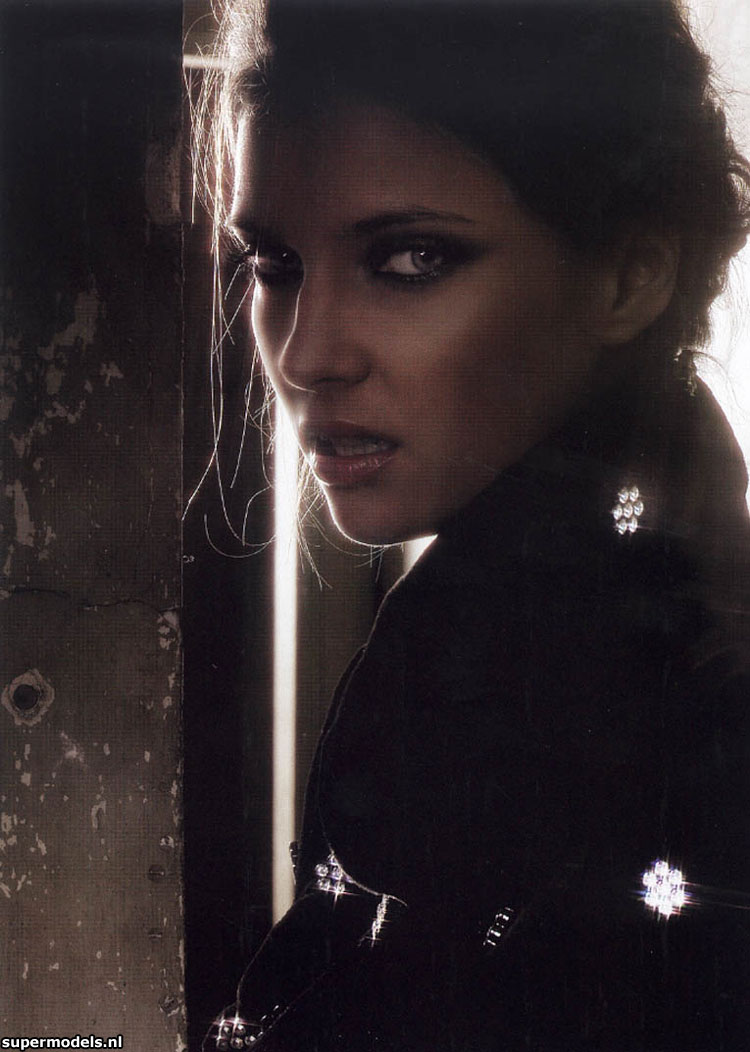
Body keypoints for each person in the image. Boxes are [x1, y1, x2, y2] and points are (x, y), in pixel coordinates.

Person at [198, 0, 750, 1048]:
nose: (306, 355)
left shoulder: (661, 703)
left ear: (631, 275)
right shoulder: (507, 635)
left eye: (411, 260)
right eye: (274, 265)